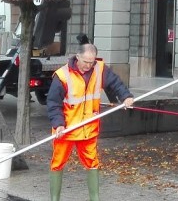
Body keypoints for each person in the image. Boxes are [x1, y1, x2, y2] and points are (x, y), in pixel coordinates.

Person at [46, 43, 134, 201]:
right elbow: (53, 104)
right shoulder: (62, 75)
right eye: (86, 61)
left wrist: (126, 96)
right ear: (77, 57)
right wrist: (58, 124)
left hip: (88, 129)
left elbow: (116, 84)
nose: (89, 65)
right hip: (66, 130)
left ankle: (95, 198)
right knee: (57, 163)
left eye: (91, 62)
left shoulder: (100, 69)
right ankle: (54, 198)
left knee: (93, 163)